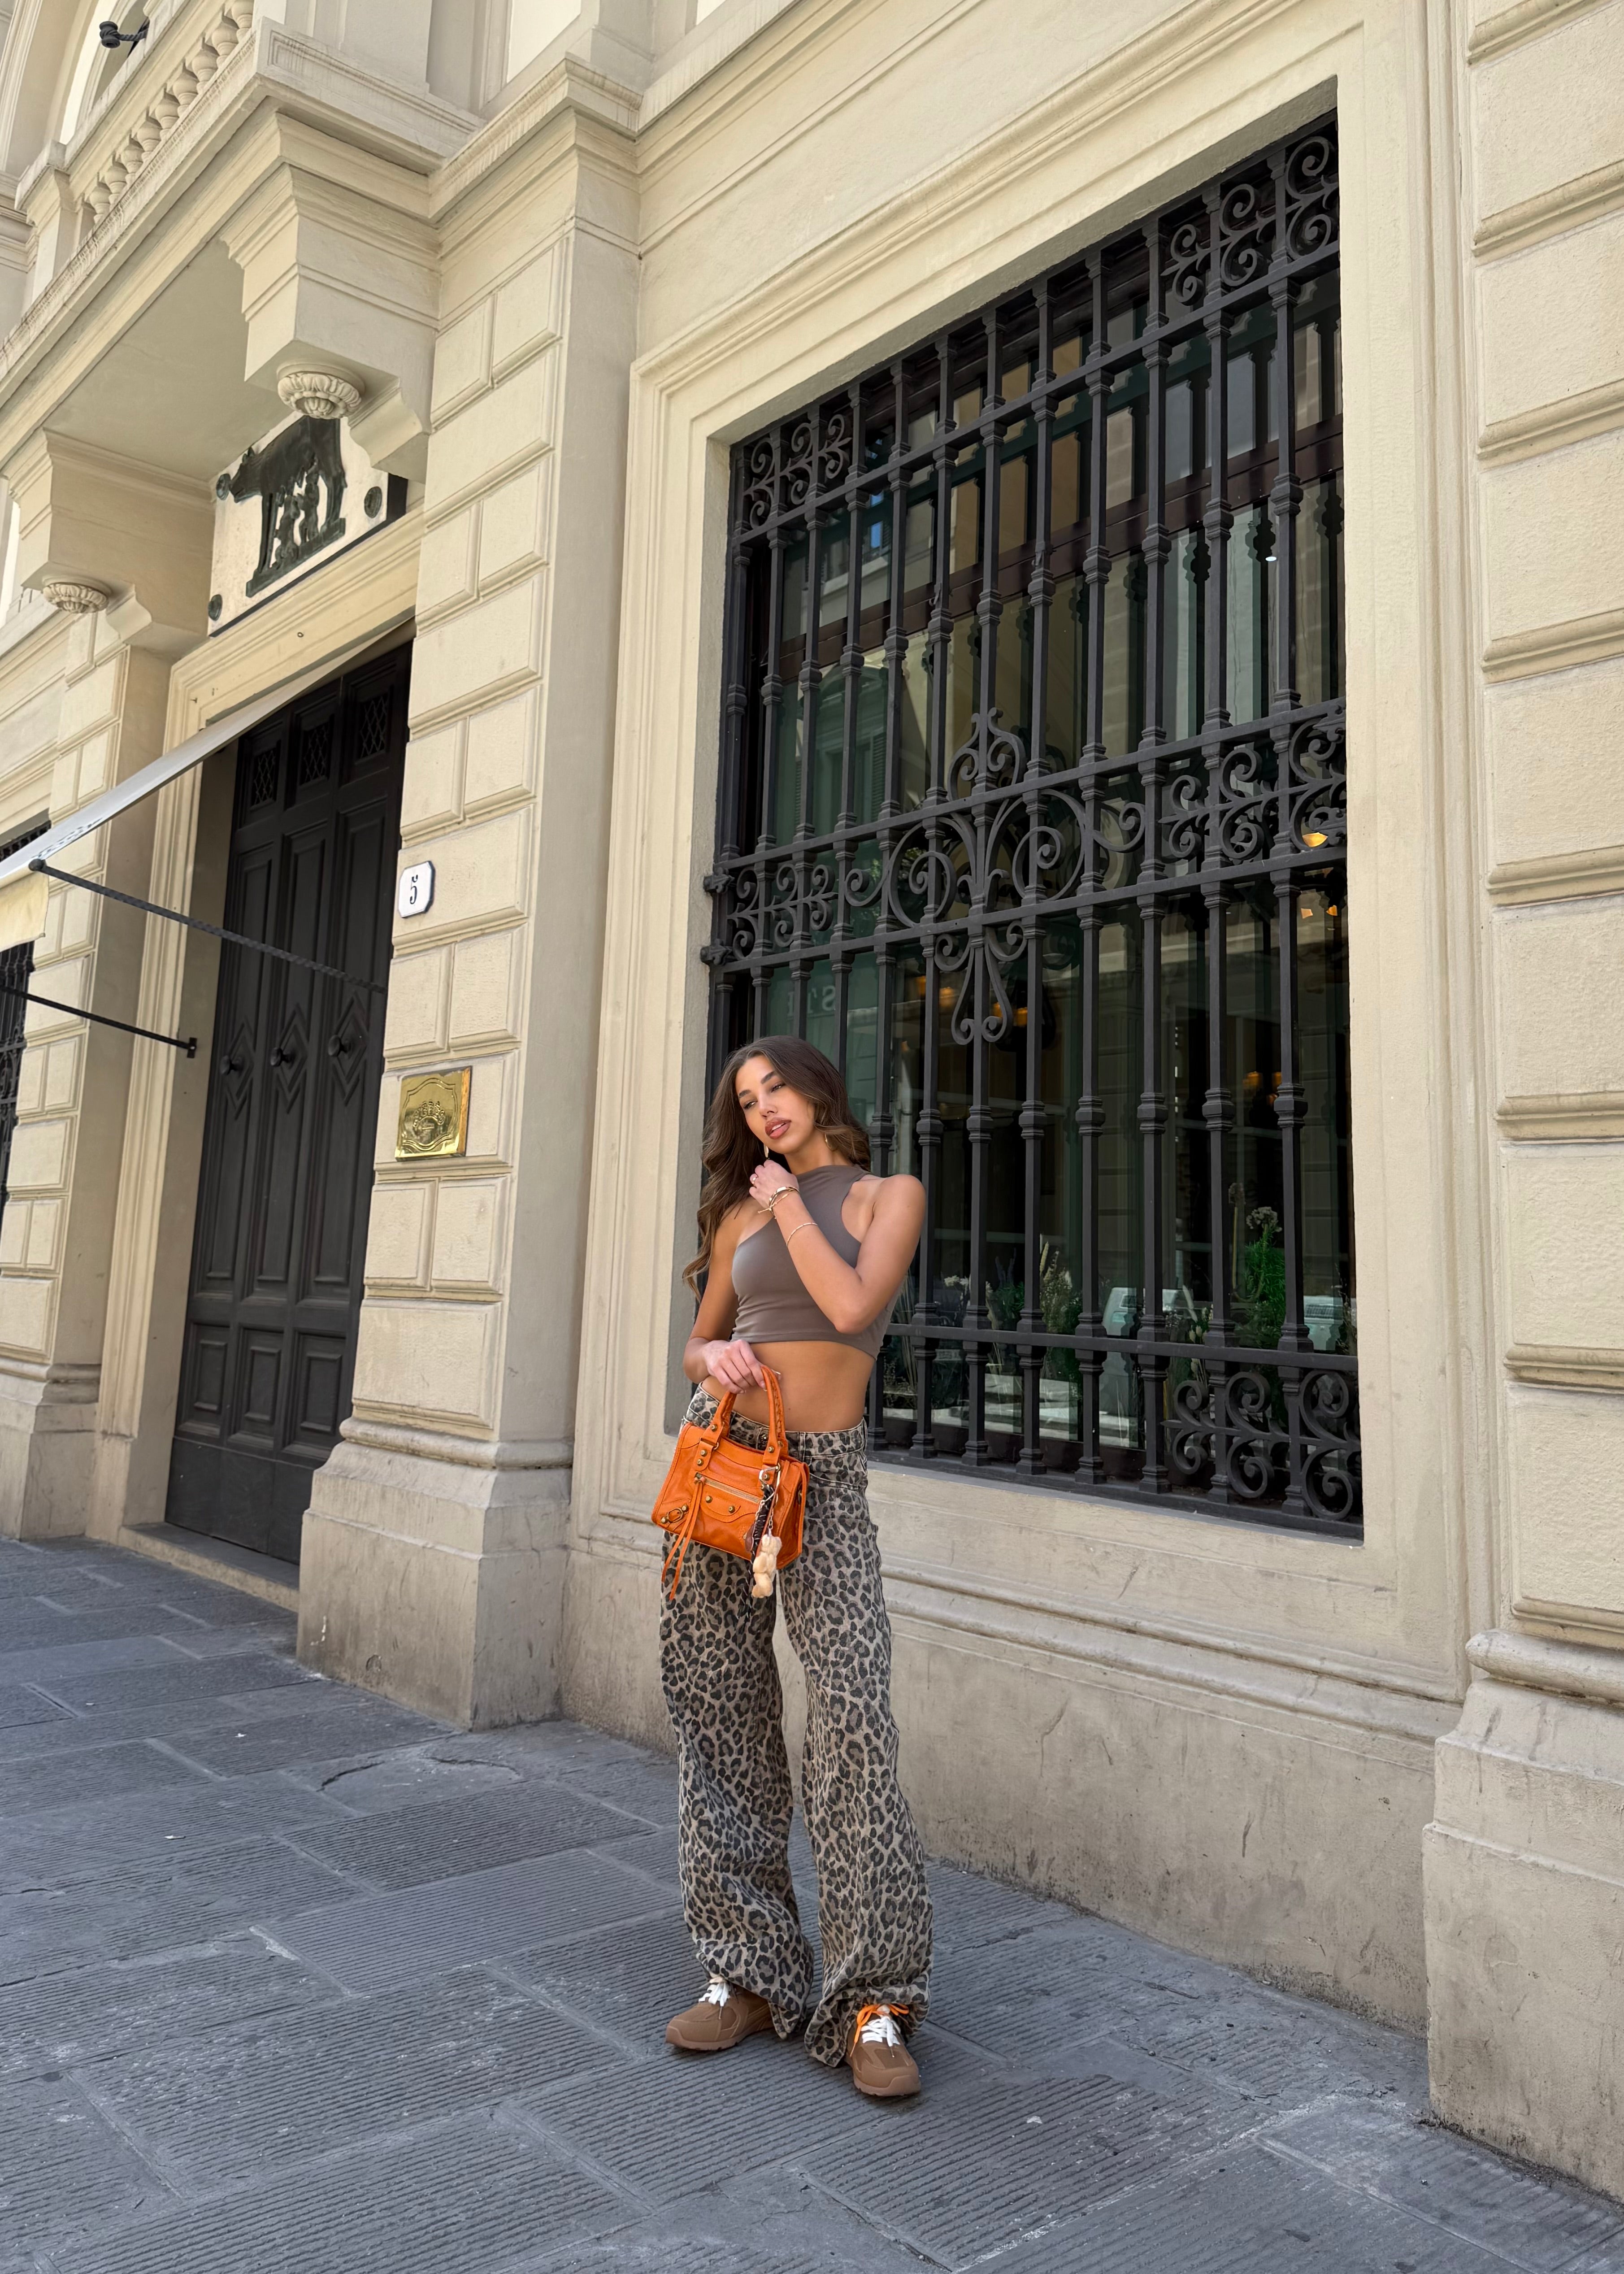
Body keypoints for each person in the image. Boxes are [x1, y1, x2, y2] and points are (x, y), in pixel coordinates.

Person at [661, 1035, 932, 2098]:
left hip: (825, 1477)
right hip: (724, 1462)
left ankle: (873, 2000)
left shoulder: (884, 1197)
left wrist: (786, 1204)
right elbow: (698, 1343)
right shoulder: (739, 1212)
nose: (763, 1107)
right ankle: (747, 1970)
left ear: (817, 1089)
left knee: (853, 1714)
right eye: (745, 1098)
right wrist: (714, 1357)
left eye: (776, 1086)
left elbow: (853, 1306)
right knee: (720, 1709)